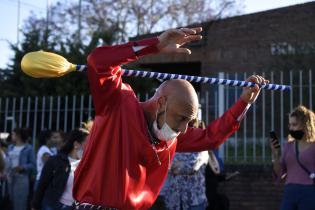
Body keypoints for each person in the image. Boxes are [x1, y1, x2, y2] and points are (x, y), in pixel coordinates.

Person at [73, 26, 268, 210]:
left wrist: (244, 102)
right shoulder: (118, 105)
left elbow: (212, 137)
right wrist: (154, 45)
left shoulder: (171, 136)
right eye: (182, 118)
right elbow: (99, 61)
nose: (184, 129)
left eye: (188, 121)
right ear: (161, 104)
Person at [32, 127, 90, 210]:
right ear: (76, 144)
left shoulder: (87, 165)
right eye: (88, 142)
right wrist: (35, 206)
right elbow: (42, 185)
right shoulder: (55, 161)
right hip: (53, 206)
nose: (91, 146)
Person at [270, 105, 315, 210]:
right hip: (289, 191)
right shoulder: (288, 146)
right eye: (290, 125)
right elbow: (279, 173)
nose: (291, 128)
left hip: (309, 191)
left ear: (305, 125)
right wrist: (275, 155)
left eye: (294, 124)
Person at [161, 119, 209, 210]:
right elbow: (165, 164)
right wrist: (175, 165)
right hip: (173, 201)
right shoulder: (173, 145)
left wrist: (174, 166)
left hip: (194, 202)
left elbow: (192, 167)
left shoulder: (202, 148)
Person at [7, 128, 36, 210]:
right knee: (12, 200)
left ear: (18, 135)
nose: (12, 136)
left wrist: (22, 167)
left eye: (13, 134)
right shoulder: (10, 147)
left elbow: (33, 165)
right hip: (11, 177)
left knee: (21, 202)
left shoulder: (29, 148)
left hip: (22, 177)